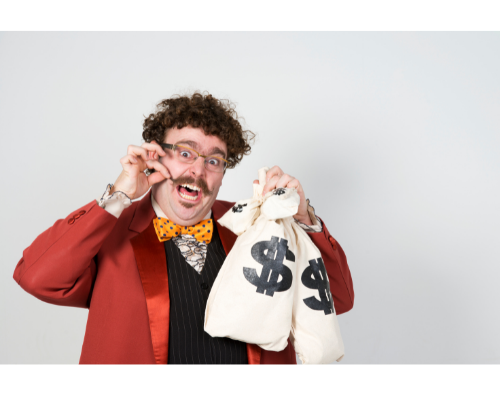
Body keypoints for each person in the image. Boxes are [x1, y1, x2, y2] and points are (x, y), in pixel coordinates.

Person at [13, 92, 354, 365]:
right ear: (156, 156)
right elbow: (37, 276)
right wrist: (118, 197)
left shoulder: (257, 226)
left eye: (214, 160)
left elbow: (337, 299)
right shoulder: (110, 230)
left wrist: (303, 217)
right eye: (185, 153)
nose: (198, 171)